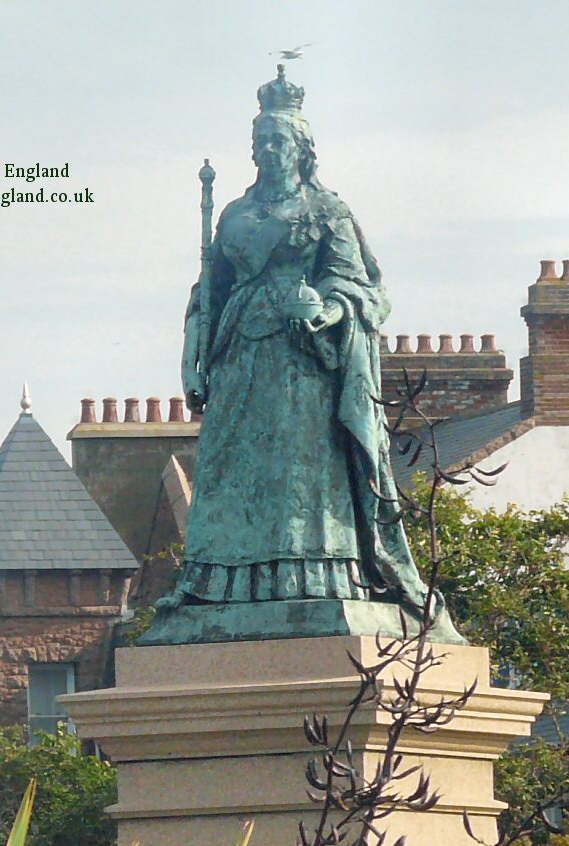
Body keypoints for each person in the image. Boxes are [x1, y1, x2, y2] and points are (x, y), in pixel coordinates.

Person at [167, 67, 431, 617]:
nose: (267, 149)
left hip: (302, 359)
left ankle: (311, 577)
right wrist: (192, 357)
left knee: (295, 474)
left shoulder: (327, 212)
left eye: (278, 139)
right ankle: (219, 587)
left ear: (302, 149)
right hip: (239, 356)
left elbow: (362, 287)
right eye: (260, 140)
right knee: (229, 469)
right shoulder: (235, 214)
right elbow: (208, 292)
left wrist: (329, 309)